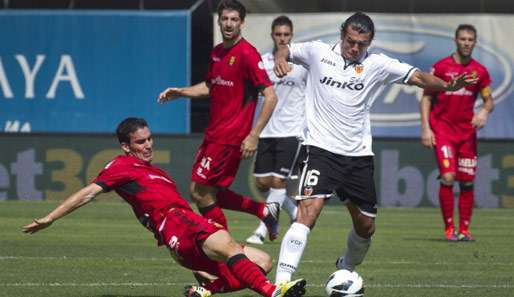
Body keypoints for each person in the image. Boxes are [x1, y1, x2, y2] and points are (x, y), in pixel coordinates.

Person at [271, 12, 477, 284]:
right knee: (308, 211)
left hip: (357, 156)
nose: (355, 48)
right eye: (350, 41)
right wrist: (280, 58)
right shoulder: (317, 51)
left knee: (366, 226)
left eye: (362, 44)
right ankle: (280, 283)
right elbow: (286, 49)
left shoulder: (378, 64)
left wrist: (448, 85)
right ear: (342, 33)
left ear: (370, 42)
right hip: (319, 149)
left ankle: (346, 266)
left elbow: (418, 78)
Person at [22, 118, 306, 297]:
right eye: (140, 141)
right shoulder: (120, 166)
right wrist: (50, 217)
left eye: (149, 139)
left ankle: (206, 291)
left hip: (183, 234)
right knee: (231, 248)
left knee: (263, 262)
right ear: (125, 146)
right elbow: (87, 194)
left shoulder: (158, 173)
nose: (148, 145)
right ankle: (272, 293)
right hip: (176, 224)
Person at [158, 0, 281, 241]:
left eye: (234, 19)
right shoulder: (217, 52)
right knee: (206, 191)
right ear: (219, 21)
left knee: (199, 191)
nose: (229, 23)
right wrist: (181, 92)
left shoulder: (247, 54)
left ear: (242, 23)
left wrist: (253, 135)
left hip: (231, 136)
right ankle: (263, 211)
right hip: (214, 133)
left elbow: (270, 96)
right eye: (225, 19)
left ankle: (223, 249)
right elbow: (209, 86)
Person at [420, 24, 494, 242]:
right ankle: (449, 229)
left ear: (475, 42)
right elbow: (426, 98)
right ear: (455, 40)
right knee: (448, 176)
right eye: (463, 39)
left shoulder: (479, 71)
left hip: (467, 134)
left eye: (470, 39)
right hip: (443, 129)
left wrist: (484, 112)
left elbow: (489, 100)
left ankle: (465, 230)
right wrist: (425, 127)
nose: (466, 43)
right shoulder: (441, 68)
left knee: (467, 182)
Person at [246, 15, 307, 245]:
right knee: (263, 183)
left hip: (292, 131)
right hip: (266, 131)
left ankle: (262, 230)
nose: (282, 38)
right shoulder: (262, 63)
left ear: (292, 36)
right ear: (272, 35)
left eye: (286, 35)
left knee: (279, 182)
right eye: (278, 34)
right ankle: (295, 212)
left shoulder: (302, 66)